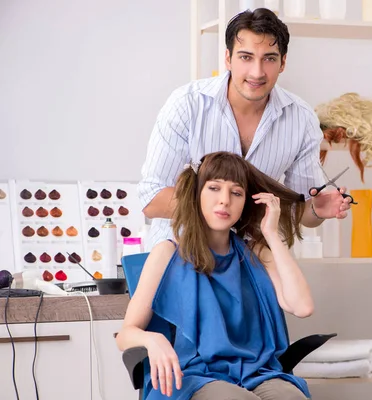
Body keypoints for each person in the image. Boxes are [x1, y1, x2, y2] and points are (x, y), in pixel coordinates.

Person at [138, 7, 351, 251]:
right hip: (179, 254)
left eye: (269, 58)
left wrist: (316, 209)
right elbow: (151, 199)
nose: (257, 72)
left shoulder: (301, 119)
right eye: (246, 57)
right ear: (228, 58)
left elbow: (300, 210)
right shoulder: (187, 104)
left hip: (252, 260)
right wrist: (240, 206)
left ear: (283, 62)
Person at [117, 152, 314, 400]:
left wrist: (272, 234)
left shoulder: (256, 252)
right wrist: (153, 340)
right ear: (197, 194)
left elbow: (302, 306)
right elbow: (126, 334)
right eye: (214, 188)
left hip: (256, 372)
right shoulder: (167, 253)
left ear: (245, 203)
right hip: (194, 376)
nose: (224, 201)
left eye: (236, 192)